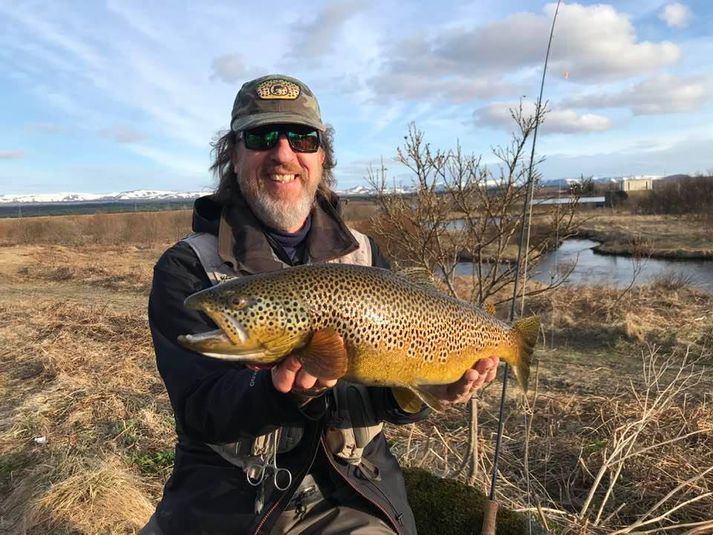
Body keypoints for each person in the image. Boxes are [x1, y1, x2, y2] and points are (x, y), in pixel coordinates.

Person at [142, 74, 500, 535]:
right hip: (228, 500)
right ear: (232, 154)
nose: (283, 153)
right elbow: (200, 410)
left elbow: (388, 393)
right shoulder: (186, 268)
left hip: (354, 490)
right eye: (262, 136)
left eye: (303, 138)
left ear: (322, 155)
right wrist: (276, 392)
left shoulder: (368, 255)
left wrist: (432, 391)